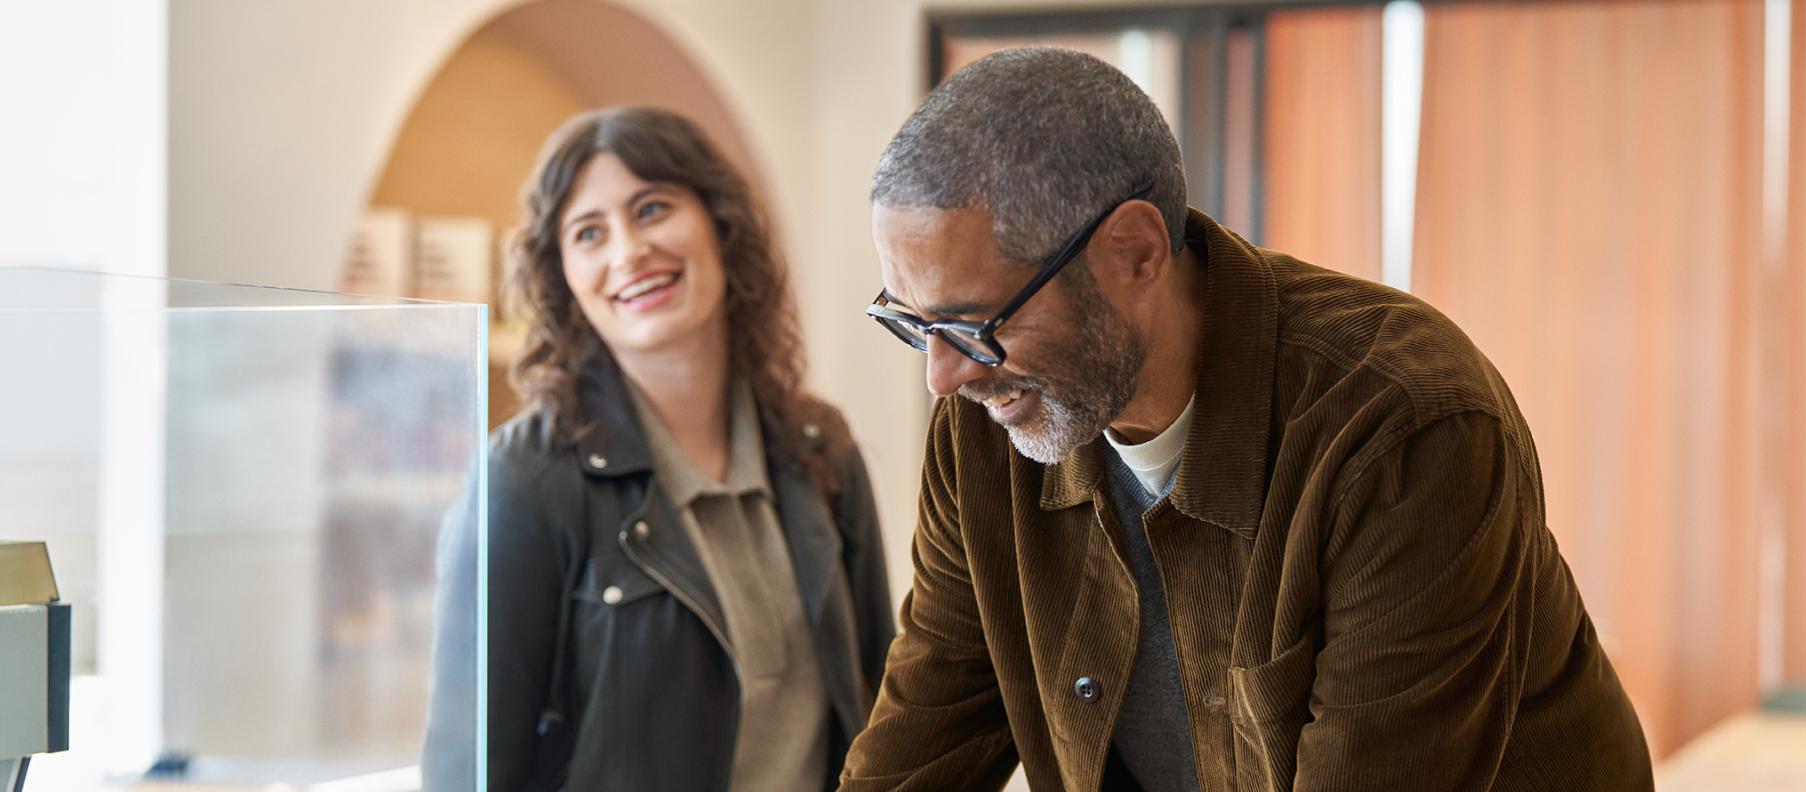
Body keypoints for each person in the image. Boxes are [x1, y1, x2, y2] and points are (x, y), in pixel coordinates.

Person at [839, 48, 1651, 791]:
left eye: (972, 324)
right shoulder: (985, 432)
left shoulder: (1402, 427)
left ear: (1134, 254)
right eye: (912, 323)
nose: (943, 377)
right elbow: (919, 745)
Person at [423, 107, 896, 792]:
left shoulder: (819, 448)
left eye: (652, 209)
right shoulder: (525, 480)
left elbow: (885, 706)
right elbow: (468, 772)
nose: (628, 252)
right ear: (563, 274)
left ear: (720, 224)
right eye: (589, 233)